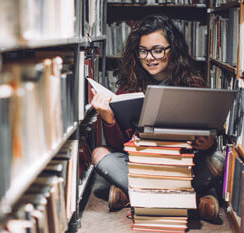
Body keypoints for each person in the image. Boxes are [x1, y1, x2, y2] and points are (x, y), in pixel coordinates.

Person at [90, 15, 225, 224]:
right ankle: (192, 200)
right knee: (100, 153)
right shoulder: (128, 87)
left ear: (173, 50)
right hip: (143, 165)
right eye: (143, 50)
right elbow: (118, 146)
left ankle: (134, 195)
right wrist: (108, 119)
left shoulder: (193, 84)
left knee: (219, 159)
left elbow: (208, 138)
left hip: (180, 166)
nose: (150, 57)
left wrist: (208, 142)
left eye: (158, 50)